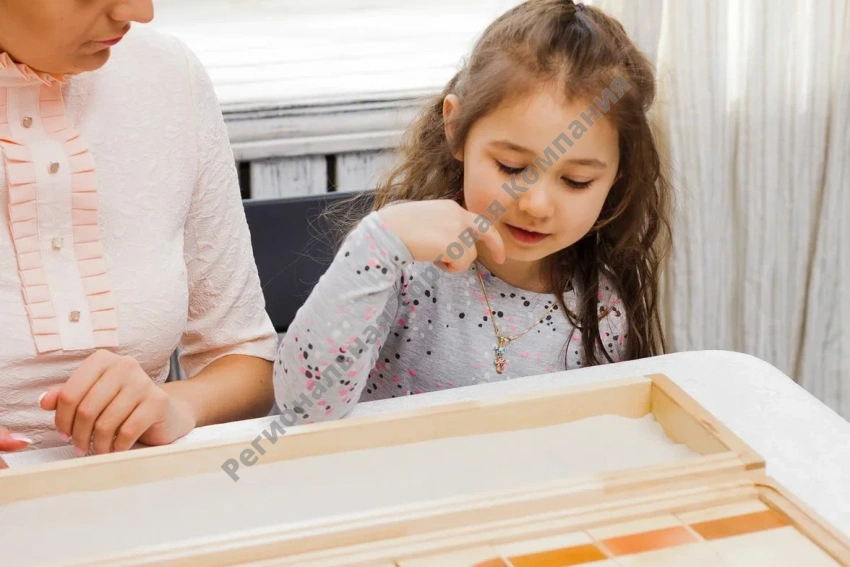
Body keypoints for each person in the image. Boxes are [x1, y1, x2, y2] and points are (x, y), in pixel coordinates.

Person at [273, 0, 672, 424]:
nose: (535, 204)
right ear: (455, 128)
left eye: (576, 181)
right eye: (511, 167)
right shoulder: (403, 267)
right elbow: (302, 411)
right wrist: (377, 241)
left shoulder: (604, 308)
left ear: (617, 175)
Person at [0, 0, 279, 462]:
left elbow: (245, 357)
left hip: (142, 494)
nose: (140, 12)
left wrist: (175, 405)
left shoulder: (167, 74)